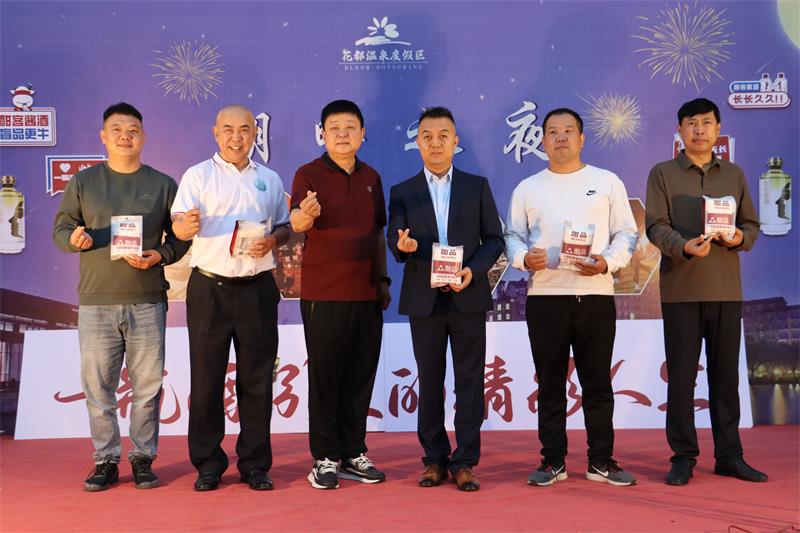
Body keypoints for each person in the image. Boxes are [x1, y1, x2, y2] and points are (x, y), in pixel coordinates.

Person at [53, 102, 189, 491]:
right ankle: (106, 460)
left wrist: (160, 255)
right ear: (104, 136)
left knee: (147, 386)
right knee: (99, 388)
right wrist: (74, 240)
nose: (125, 136)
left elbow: (181, 238)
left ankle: (143, 458)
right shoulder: (84, 182)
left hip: (147, 299)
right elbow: (61, 230)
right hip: (96, 300)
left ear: (143, 136)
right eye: (117, 130)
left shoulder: (163, 184)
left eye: (133, 130)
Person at [504, 108, 639, 487]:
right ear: (542, 141)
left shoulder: (607, 181)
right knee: (550, 385)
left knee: (598, 384)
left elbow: (627, 234)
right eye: (552, 132)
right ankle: (552, 461)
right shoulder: (527, 188)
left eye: (568, 131)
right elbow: (511, 236)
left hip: (595, 294)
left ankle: (601, 460)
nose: (560, 137)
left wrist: (607, 262)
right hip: (546, 296)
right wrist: (522, 258)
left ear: (582, 138)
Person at [645, 98, 766, 486]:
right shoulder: (663, 173)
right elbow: (655, 226)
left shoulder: (734, 174)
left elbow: (751, 225)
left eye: (707, 122)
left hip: (726, 291)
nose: (699, 129)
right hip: (681, 290)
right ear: (680, 130)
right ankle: (683, 457)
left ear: (718, 129)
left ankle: (729, 455)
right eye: (691, 123)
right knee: (681, 379)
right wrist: (683, 246)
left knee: (725, 378)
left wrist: (738, 237)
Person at [171, 104, 290, 491]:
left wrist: (272, 240)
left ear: (255, 133)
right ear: (215, 132)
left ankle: (255, 463)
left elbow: (285, 227)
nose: (236, 138)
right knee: (207, 379)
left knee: (257, 379)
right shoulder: (197, 175)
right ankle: (208, 463)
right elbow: (178, 224)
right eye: (228, 129)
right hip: (210, 289)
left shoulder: (269, 179)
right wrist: (184, 226)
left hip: (258, 288)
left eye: (244, 130)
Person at [388, 106, 504, 491]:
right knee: (430, 380)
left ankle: (466, 461)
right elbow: (396, 241)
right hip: (424, 299)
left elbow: (494, 240)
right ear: (417, 143)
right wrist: (402, 246)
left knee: (470, 380)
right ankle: (434, 460)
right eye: (427, 137)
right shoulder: (403, 192)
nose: (435, 143)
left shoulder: (476, 186)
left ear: (456, 142)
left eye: (442, 137)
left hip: (467, 294)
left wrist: (472, 270)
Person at [290, 100, 390, 490]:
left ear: (362, 133)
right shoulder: (308, 174)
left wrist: (383, 282)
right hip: (324, 293)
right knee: (326, 378)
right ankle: (324, 458)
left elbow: (378, 233)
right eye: (334, 127)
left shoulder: (372, 177)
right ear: (323, 134)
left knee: (359, 378)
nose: (343, 134)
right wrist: (305, 215)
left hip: (366, 293)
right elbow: (297, 221)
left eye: (350, 127)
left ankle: (353, 453)